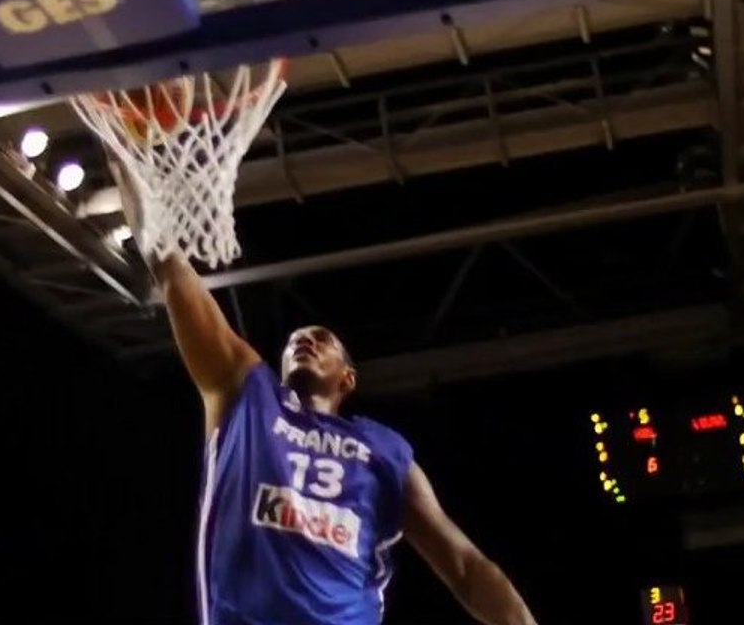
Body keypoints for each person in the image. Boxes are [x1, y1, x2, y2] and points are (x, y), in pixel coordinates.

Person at [108, 154, 538, 625]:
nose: (306, 341)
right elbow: (169, 267)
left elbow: (465, 566)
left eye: (322, 339)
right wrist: (120, 155)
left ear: (348, 378)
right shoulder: (245, 394)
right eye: (296, 340)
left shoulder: (384, 451)